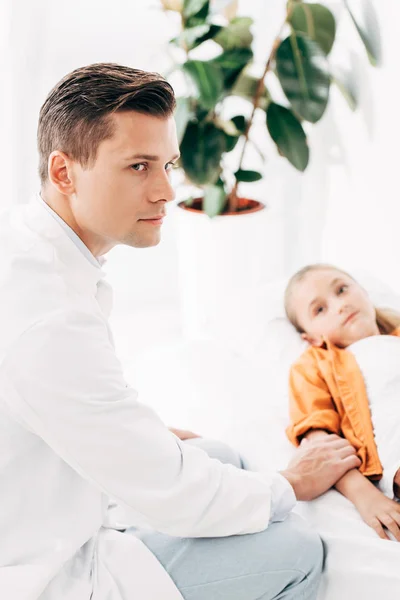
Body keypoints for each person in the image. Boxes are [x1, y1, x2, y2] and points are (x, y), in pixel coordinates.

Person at [0, 64, 361, 600]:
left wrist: (139, 437)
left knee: (226, 457)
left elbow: (67, 406)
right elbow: (173, 493)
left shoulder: (32, 248)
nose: (167, 190)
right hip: (43, 570)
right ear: (64, 172)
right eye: (139, 166)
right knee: (298, 550)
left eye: (167, 164)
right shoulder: (49, 318)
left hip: (44, 501)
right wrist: (290, 484)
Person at [285, 263, 400, 542]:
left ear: (364, 292)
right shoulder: (315, 364)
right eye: (320, 309)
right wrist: (364, 495)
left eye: (342, 289)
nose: (340, 305)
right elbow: (319, 443)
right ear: (310, 337)